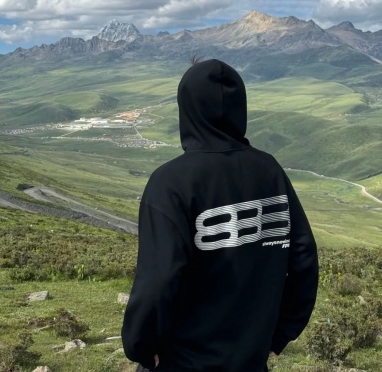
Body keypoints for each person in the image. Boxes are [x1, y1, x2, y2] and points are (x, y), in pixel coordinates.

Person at [121, 59, 319, 372]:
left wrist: (141, 347)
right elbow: (304, 261)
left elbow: (158, 280)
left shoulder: (170, 183)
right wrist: (280, 334)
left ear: (187, 110)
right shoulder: (270, 171)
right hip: (251, 361)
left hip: (183, 362)